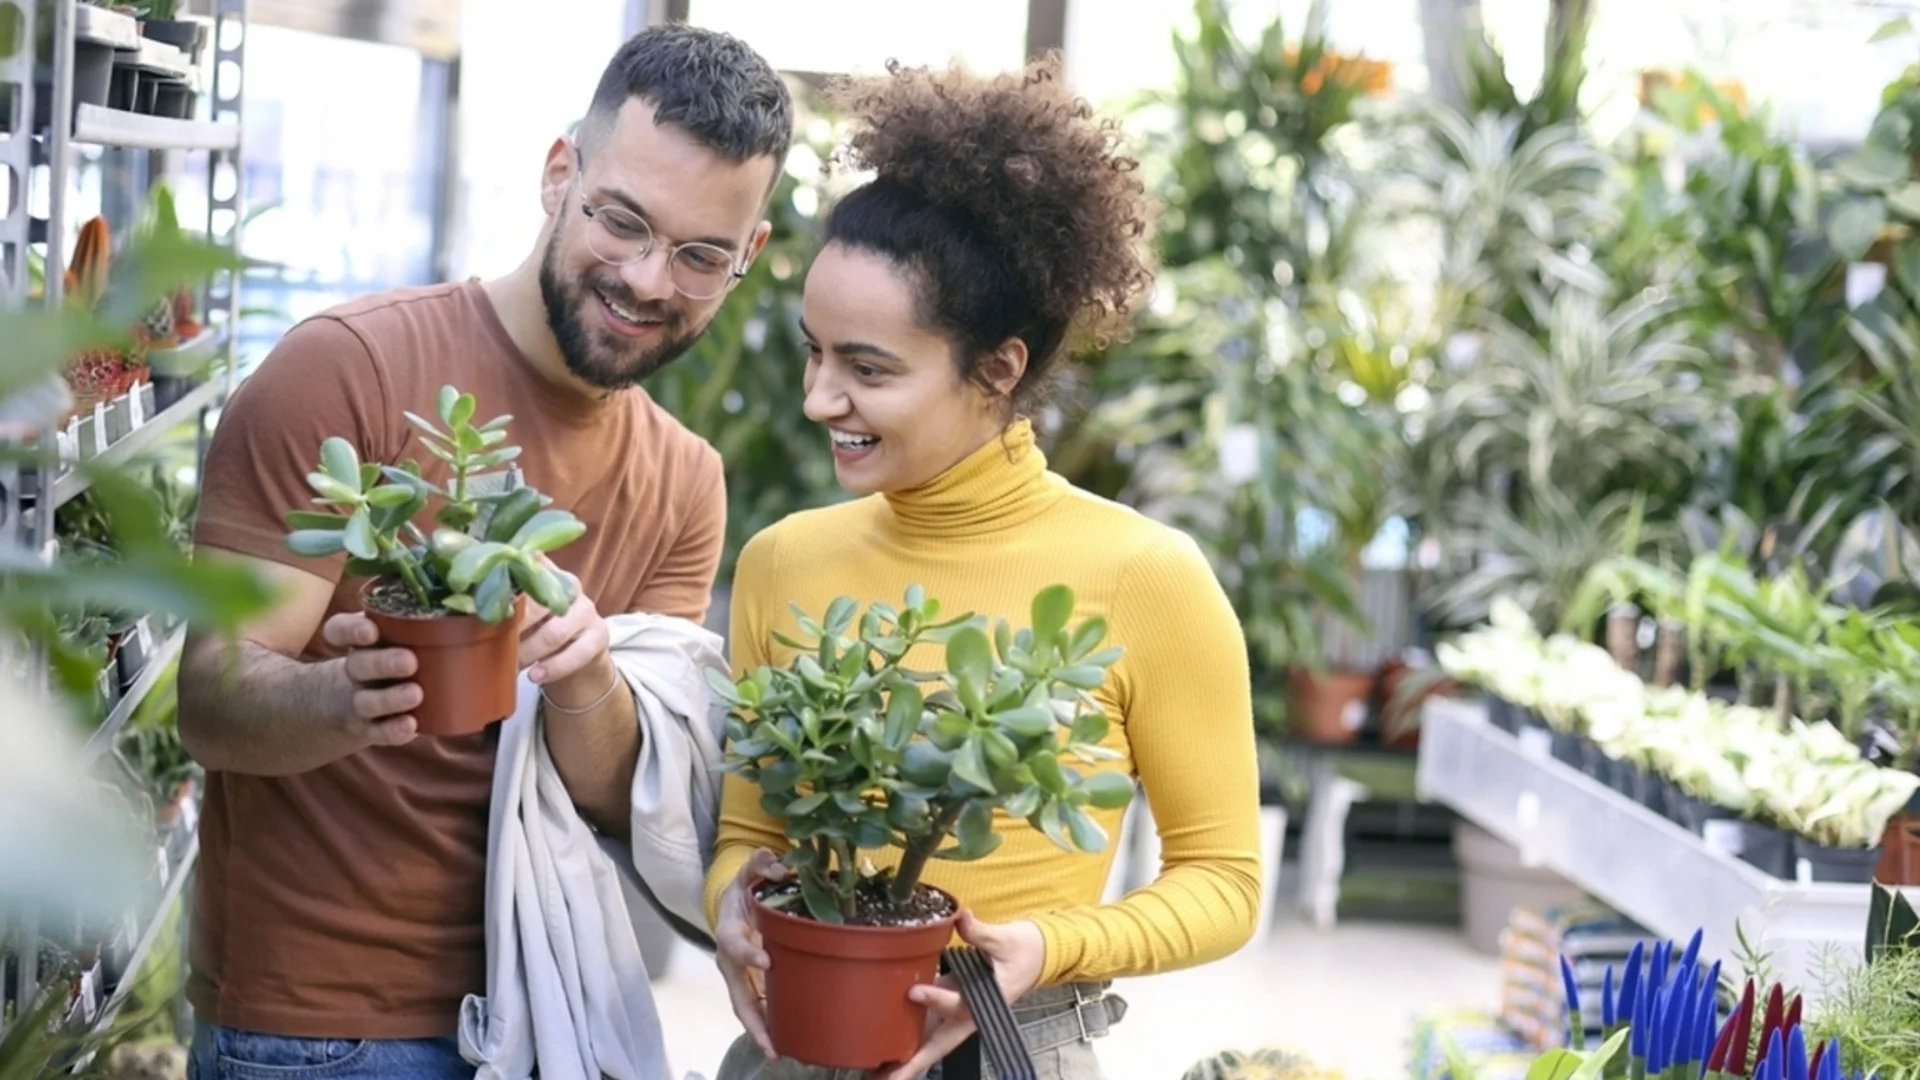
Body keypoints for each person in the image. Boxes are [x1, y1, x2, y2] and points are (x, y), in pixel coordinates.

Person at [175, 24, 792, 1080]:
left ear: (751, 256)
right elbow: (210, 703)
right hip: (318, 1027)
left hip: (542, 1008)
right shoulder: (349, 369)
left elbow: (617, 799)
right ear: (561, 175)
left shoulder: (686, 480)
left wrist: (588, 676)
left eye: (700, 256)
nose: (649, 280)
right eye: (623, 222)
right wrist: (345, 698)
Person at [704, 57, 1263, 1080]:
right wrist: (731, 903)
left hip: (1010, 1047)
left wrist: (1050, 945)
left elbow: (1224, 882)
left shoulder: (1148, 578)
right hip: (791, 1048)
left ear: (998, 369)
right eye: (812, 351)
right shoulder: (785, 561)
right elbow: (749, 828)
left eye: (868, 368)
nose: (819, 399)